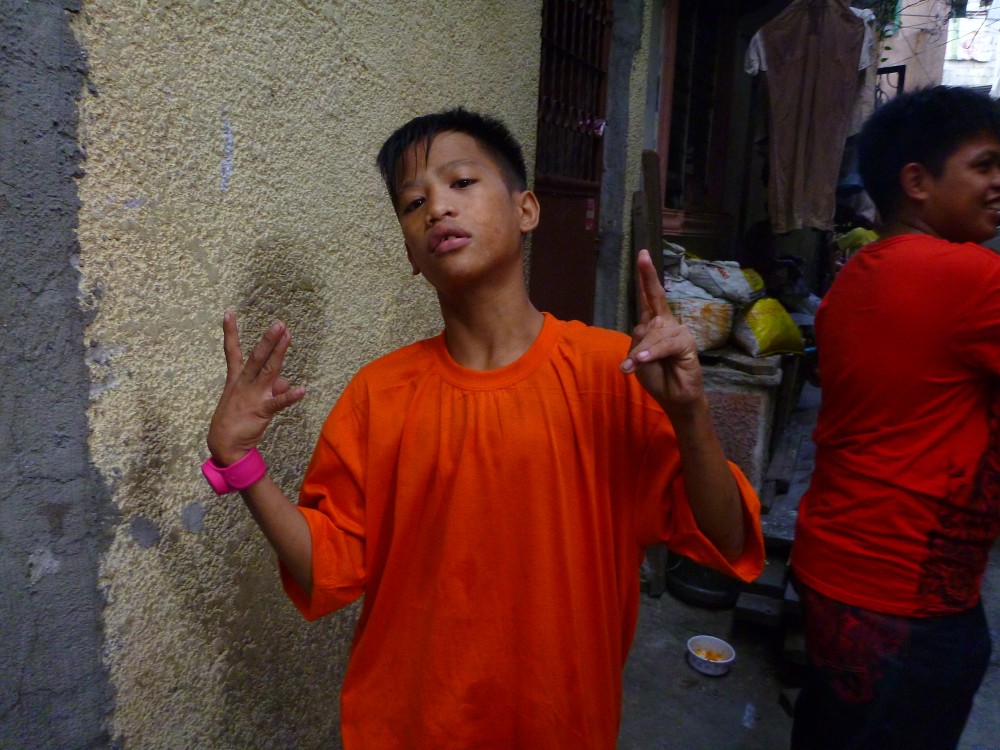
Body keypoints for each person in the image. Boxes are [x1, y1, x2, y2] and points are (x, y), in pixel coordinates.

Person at [203, 108, 764, 749]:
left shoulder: (614, 374)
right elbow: (326, 568)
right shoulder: (378, 397)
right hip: (407, 728)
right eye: (414, 203)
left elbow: (725, 537)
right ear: (410, 254)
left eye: (462, 182)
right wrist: (240, 461)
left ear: (527, 209)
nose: (438, 208)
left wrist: (690, 414)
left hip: (558, 727)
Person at [790, 85, 1000, 750]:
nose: (999, 183)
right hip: (903, 595)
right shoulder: (967, 278)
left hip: (837, 565)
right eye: (985, 166)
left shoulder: (854, 280)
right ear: (917, 182)